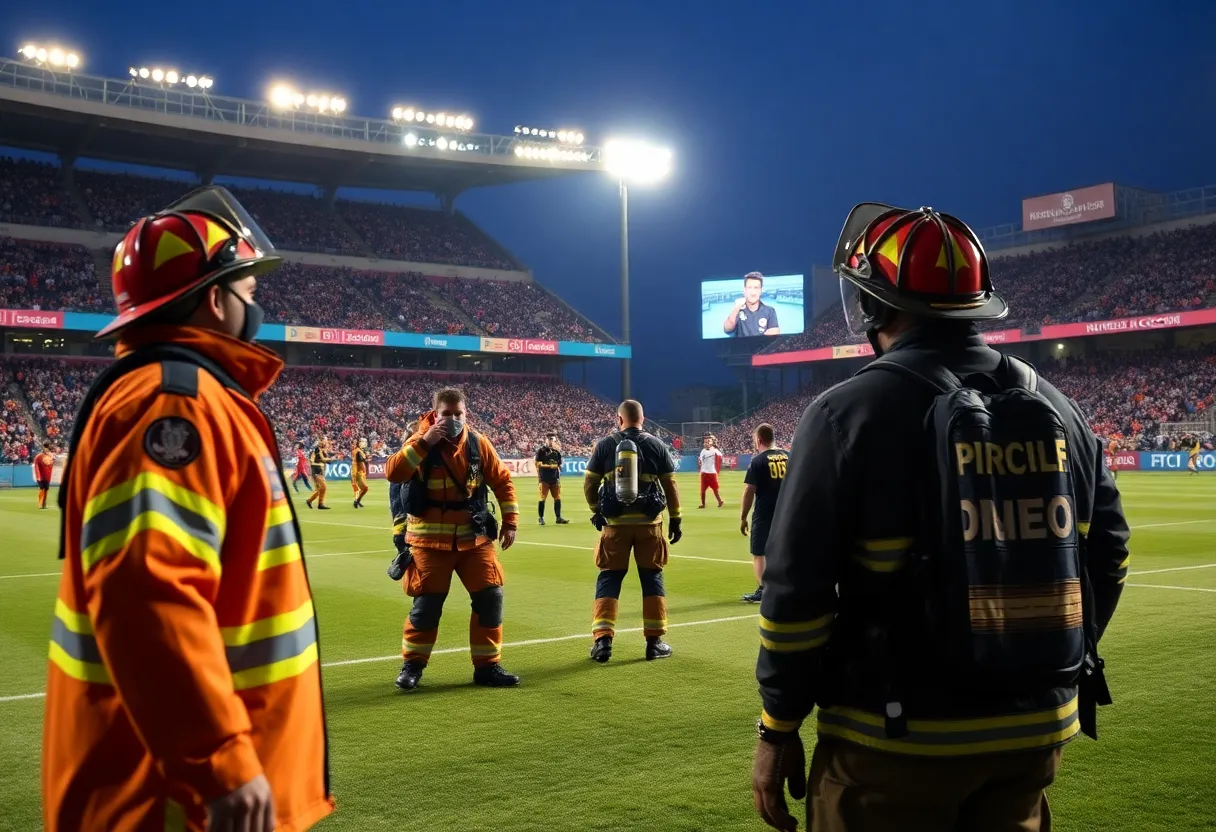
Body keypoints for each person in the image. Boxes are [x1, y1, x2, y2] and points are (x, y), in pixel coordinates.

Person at [752, 203, 1129, 832]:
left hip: (893, 738)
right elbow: (1108, 557)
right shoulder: (1061, 407)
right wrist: (1037, 662)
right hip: (1035, 734)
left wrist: (777, 725)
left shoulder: (846, 413)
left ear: (875, 305)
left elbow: (796, 596)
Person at [42, 186, 332, 832]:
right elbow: (148, 592)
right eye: (246, 289)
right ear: (213, 299)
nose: (254, 301)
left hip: (163, 783)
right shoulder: (177, 404)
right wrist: (220, 759)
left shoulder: (173, 393)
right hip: (172, 798)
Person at [385, 388, 521, 690]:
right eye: (446, 414)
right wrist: (425, 442)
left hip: (474, 541)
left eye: (458, 413)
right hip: (429, 542)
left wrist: (510, 522)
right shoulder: (419, 440)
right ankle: (412, 666)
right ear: (435, 414)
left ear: (465, 413)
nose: (453, 419)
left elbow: (502, 481)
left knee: (490, 599)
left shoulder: (478, 442)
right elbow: (393, 473)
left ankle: (487, 667)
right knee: (427, 606)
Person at [583, 399, 682, 663]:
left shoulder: (605, 444)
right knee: (652, 579)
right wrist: (676, 519)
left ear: (619, 419)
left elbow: (590, 483)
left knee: (609, 578)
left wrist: (596, 511)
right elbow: (670, 486)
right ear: (643, 418)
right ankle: (654, 642)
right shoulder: (656, 444)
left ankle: (602, 641)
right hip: (650, 526)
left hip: (615, 526)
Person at [739, 424, 787, 604]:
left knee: (759, 551)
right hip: (786, 510)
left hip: (765, 511)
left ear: (758, 440)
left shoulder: (758, 460)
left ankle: (763, 590)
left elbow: (749, 490)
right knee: (784, 549)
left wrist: (743, 517)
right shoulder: (789, 456)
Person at [723, 272, 781, 337]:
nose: (753, 292)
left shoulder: (770, 311)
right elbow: (727, 329)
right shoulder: (737, 310)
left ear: (760, 290)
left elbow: (775, 332)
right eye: (749, 287)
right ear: (744, 290)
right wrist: (736, 308)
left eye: (756, 288)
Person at [535, 432, 568, 525]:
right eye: (549, 439)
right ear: (545, 440)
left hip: (554, 478)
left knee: (557, 497)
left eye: (552, 439)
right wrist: (550, 466)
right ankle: (541, 518)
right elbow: (538, 464)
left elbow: (559, 465)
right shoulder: (541, 451)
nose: (550, 441)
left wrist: (558, 468)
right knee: (543, 497)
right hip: (544, 478)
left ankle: (558, 517)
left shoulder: (557, 453)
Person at [306, 437, 335, 510]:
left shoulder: (322, 450)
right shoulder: (317, 449)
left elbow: (327, 461)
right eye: (324, 441)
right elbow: (321, 459)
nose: (326, 443)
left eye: (326, 441)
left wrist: (333, 459)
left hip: (320, 470)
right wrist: (331, 459)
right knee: (323, 487)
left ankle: (310, 501)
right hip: (316, 470)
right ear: (321, 442)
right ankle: (320, 504)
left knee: (320, 489)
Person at [698, 436, 725, 508]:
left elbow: (720, 456)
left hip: (712, 472)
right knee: (702, 490)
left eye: (708, 441)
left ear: (711, 442)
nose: (706, 443)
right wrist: (700, 461)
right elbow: (700, 459)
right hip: (704, 473)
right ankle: (703, 504)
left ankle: (720, 501)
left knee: (715, 489)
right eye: (705, 442)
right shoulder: (703, 451)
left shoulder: (714, 450)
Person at [32, 443, 55, 509]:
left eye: (47, 448)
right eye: (45, 448)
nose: (46, 449)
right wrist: (38, 476)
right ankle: (40, 503)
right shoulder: (38, 456)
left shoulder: (50, 456)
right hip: (40, 476)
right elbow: (36, 466)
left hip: (47, 476)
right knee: (42, 488)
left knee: (46, 489)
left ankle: (44, 503)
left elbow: (50, 465)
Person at [352, 436, 370, 507]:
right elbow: (360, 461)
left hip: (360, 472)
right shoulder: (358, 451)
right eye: (363, 442)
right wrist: (366, 459)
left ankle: (357, 501)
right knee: (365, 488)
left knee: (363, 489)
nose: (365, 444)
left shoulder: (359, 451)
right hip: (358, 473)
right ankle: (356, 501)